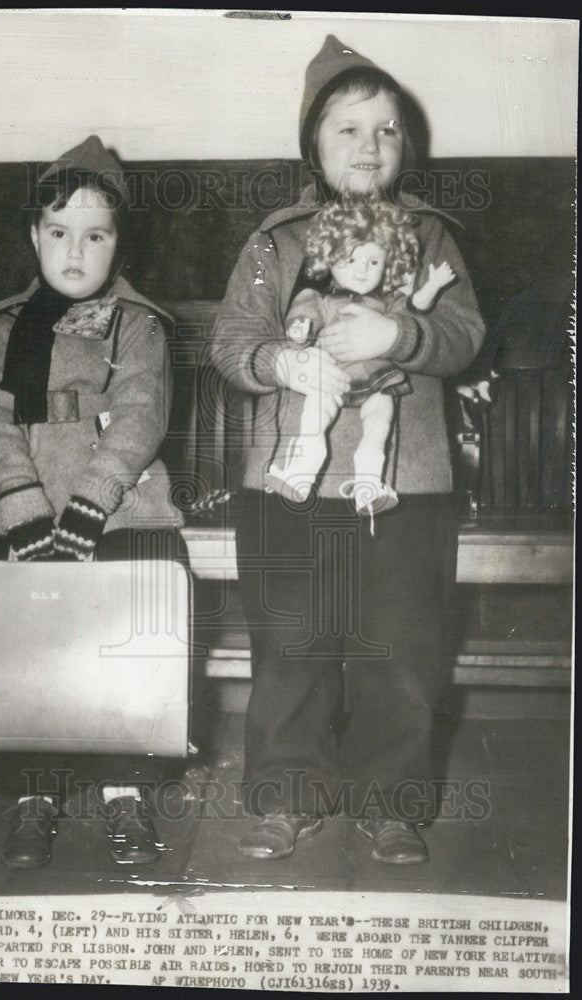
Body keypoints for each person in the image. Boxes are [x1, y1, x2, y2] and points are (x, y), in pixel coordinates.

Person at [211, 35, 485, 864]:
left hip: (405, 479)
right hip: (287, 485)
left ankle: (391, 800)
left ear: (407, 146)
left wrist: (402, 329)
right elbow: (232, 341)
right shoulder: (276, 240)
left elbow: (466, 336)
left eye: (388, 130)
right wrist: (282, 359)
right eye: (348, 129)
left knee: (403, 646)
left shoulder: (431, 236)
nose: (371, 146)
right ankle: (287, 793)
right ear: (312, 146)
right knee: (292, 642)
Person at [0, 135, 186, 869]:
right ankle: (36, 793)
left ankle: (126, 792)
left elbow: (139, 417)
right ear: (35, 236)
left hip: (120, 511)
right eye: (58, 232)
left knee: (121, 656)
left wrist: (90, 503)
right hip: (23, 508)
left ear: (118, 245)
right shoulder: (6, 329)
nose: (74, 250)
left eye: (95, 235)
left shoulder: (140, 325)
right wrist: (24, 503)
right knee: (29, 657)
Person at [265, 194, 455, 519]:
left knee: (379, 423)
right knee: (313, 418)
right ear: (328, 260)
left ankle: (369, 483)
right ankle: (302, 470)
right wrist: (299, 330)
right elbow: (304, 314)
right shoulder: (323, 299)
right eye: (349, 261)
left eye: (373, 262)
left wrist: (433, 286)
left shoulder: (388, 302)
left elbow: (414, 310)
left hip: (377, 376)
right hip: (332, 374)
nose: (363, 272)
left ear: (388, 263)